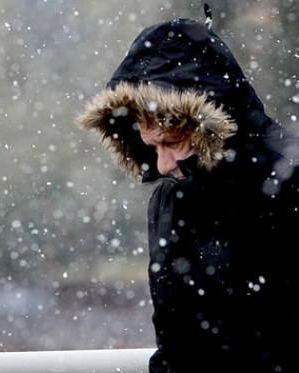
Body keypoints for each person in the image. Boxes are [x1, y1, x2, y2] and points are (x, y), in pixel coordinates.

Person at [76, 5, 298, 373]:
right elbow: (177, 345)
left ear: (210, 121)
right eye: (152, 146)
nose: (162, 165)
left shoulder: (288, 185)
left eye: (172, 141)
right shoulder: (171, 199)